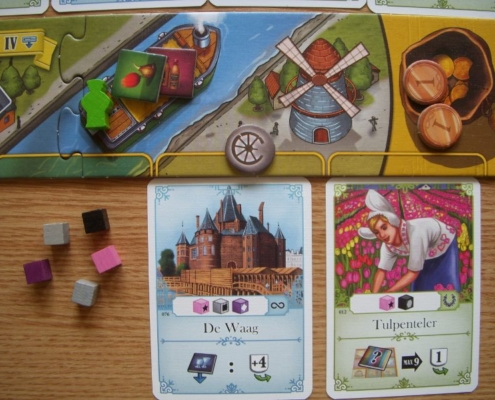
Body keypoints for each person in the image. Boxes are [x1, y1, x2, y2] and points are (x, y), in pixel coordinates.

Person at [357, 189, 460, 293]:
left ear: (393, 223)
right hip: (426, 248)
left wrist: (388, 292)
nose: (382, 235)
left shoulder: (416, 233)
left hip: (444, 243)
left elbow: (413, 272)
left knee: (446, 282)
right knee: (420, 288)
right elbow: (382, 270)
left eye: (384, 227)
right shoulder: (387, 245)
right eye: (377, 232)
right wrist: (374, 295)